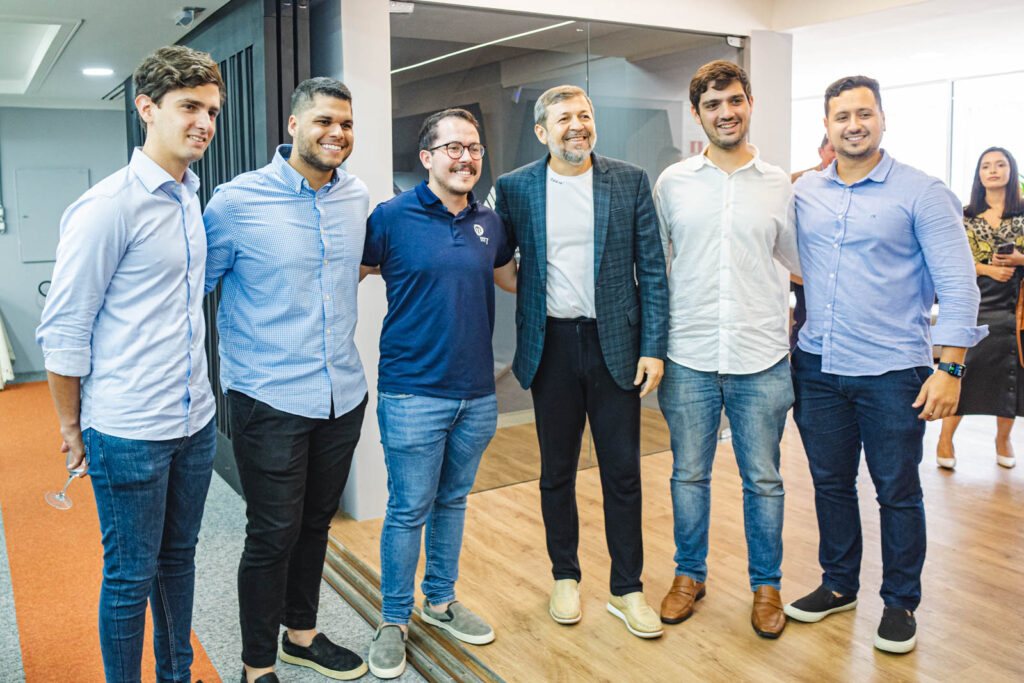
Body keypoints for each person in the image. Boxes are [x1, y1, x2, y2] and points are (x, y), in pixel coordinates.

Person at [35, 46, 224, 682]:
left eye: (212, 111)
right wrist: (71, 429)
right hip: (128, 429)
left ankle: (177, 674)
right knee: (130, 576)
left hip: (195, 420)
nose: (204, 122)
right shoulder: (107, 207)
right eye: (189, 107)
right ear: (147, 109)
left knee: (180, 559)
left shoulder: (190, 197)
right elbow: (63, 334)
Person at [784, 75, 986, 654]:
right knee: (830, 485)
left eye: (864, 113)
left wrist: (950, 371)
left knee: (897, 492)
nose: (854, 125)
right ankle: (839, 585)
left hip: (895, 371)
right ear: (826, 127)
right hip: (818, 368)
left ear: (882, 119)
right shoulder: (805, 193)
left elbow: (958, 283)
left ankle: (899, 603)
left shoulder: (923, 191)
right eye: (842, 116)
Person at [203, 77, 369, 683]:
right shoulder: (236, 201)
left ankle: (301, 635)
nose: (337, 134)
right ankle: (256, 666)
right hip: (267, 395)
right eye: (324, 121)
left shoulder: (357, 196)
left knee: (315, 525)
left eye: (347, 124)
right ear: (293, 126)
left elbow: (358, 266)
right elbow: (193, 287)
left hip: (341, 392)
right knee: (272, 533)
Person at [494, 85, 669, 639]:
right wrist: (534, 295)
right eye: (563, 118)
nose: (577, 125)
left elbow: (653, 270)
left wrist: (653, 347)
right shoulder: (516, 187)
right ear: (543, 131)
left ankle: (627, 589)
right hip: (551, 349)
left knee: (623, 473)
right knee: (556, 472)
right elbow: (501, 262)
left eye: (584, 115)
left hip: (615, 347)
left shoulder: (630, 180)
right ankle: (564, 576)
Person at [362, 108, 515, 679]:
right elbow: (350, 271)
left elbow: (506, 278)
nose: (465, 157)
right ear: (426, 158)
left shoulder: (490, 223)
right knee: (407, 509)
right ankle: (393, 620)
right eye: (453, 147)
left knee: (453, 502)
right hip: (411, 394)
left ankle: (441, 602)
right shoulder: (392, 217)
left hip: (476, 395)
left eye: (473, 147)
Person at [652, 60, 799, 639]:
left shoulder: (779, 183)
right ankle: (689, 574)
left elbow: (797, 262)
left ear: (749, 102)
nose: (725, 112)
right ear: (698, 114)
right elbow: (655, 268)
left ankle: (767, 586)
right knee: (689, 475)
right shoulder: (673, 183)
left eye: (734, 100)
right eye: (712, 105)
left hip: (761, 355)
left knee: (763, 479)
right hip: (687, 352)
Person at [936, 147, 1024, 470]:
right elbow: (949, 261)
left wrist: (1018, 260)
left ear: (1011, 170)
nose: (993, 170)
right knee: (963, 371)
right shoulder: (964, 215)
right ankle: (945, 439)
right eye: (986, 165)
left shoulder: (1023, 213)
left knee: (1010, 374)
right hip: (975, 302)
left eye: (1000, 164)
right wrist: (988, 270)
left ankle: (1003, 439)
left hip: (1015, 308)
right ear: (978, 174)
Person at [790, 136, 838, 347]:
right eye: (832, 150)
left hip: (841, 272)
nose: (837, 155)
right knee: (804, 321)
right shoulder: (798, 182)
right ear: (821, 152)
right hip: (805, 271)